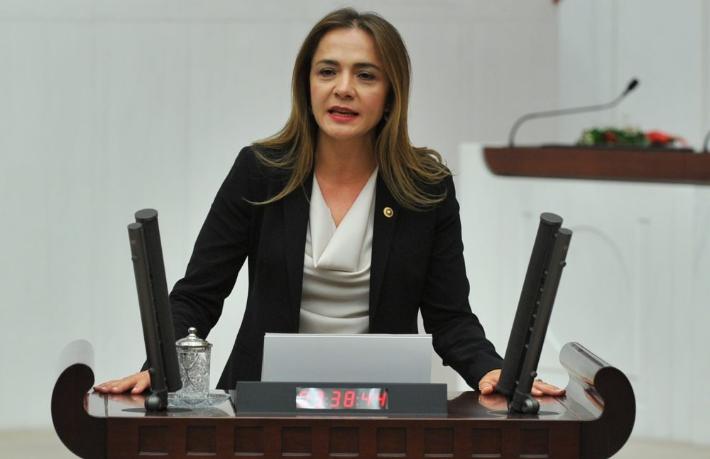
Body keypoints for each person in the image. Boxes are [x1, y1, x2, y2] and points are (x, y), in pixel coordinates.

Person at [95, 8, 563, 398]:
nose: (344, 88)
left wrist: (491, 369)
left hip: (384, 406)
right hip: (263, 403)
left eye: (366, 75)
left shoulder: (426, 188)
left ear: (391, 94)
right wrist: (157, 368)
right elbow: (198, 295)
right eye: (327, 71)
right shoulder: (260, 171)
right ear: (307, 85)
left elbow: (451, 317)